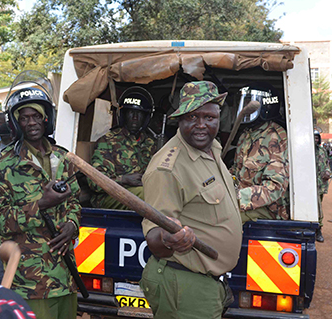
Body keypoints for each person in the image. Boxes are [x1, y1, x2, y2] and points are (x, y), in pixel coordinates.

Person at [140, 81, 242, 319]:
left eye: (209, 117)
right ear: (180, 120)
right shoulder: (168, 168)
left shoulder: (212, 149)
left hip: (204, 283)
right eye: (192, 117)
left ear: (219, 118)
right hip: (183, 284)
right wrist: (169, 237)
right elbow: (155, 239)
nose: (201, 125)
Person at [0, 85, 81, 318]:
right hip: (29, 283)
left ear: (46, 119)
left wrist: (72, 224)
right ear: (16, 123)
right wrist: (40, 206)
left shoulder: (63, 157)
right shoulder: (2, 164)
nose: (32, 122)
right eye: (24, 118)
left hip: (66, 276)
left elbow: (75, 200)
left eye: (36, 116)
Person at [89, 87, 156, 209]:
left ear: (146, 117)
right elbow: (95, 183)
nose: (135, 117)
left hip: (140, 193)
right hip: (109, 196)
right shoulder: (108, 141)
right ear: (123, 115)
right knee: (149, 195)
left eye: (139, 113)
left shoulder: (151, 143)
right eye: (131, 112)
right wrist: (124, 179)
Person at [230, 82, 289, 222]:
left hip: (267, 209)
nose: (245, 109)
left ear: (266, 106)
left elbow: (275, 187)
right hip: (242, 202)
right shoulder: (246, 134)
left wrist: (236, 198)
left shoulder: (276, 137)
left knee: (222, 220)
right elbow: (236, 170)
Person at [315, 131, 330, 242]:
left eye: (317, 138)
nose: (315, 140)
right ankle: (316, 228)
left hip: (320, 184)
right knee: (315, 207)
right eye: (314, 138)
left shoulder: (322, 151)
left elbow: (327, 164)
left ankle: (318, 229)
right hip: (309, 186)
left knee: (319, 205)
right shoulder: (306, 151)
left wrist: (328, 172)